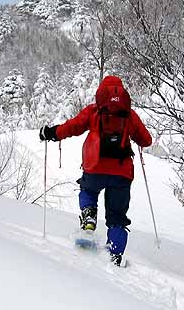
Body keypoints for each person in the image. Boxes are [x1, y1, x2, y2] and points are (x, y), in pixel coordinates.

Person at [39, 75, 152, 266]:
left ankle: (89, 215)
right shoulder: (129, 115)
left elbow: (72, 127)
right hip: (121, 173)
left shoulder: (94, 111)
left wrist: (51, 133)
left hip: (95, 167)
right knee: (117, 216)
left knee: (89, 191)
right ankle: (114, 255)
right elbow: (146, 140)